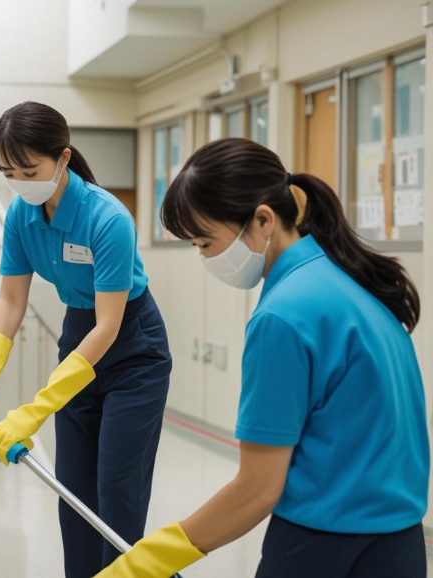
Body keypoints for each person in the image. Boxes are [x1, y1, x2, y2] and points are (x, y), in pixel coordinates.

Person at [95, 138, 429, 578]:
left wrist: (152, 558)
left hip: (323, 547)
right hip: (400, 545)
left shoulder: (283, 317)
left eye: (204, 243)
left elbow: (257, 489)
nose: (204, 257)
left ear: (263, 220)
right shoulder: (351, 284)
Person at [0, 101, 173, 577]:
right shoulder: (21, 216)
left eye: (29, 169)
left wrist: (35, 409)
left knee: (117, 489)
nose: (20, 181)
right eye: (9, 172)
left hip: (131, 348)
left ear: (64, 157)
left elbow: (109, 326)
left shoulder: (108, 219)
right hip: (80, 333)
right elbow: (11, 300)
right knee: (73, 489)